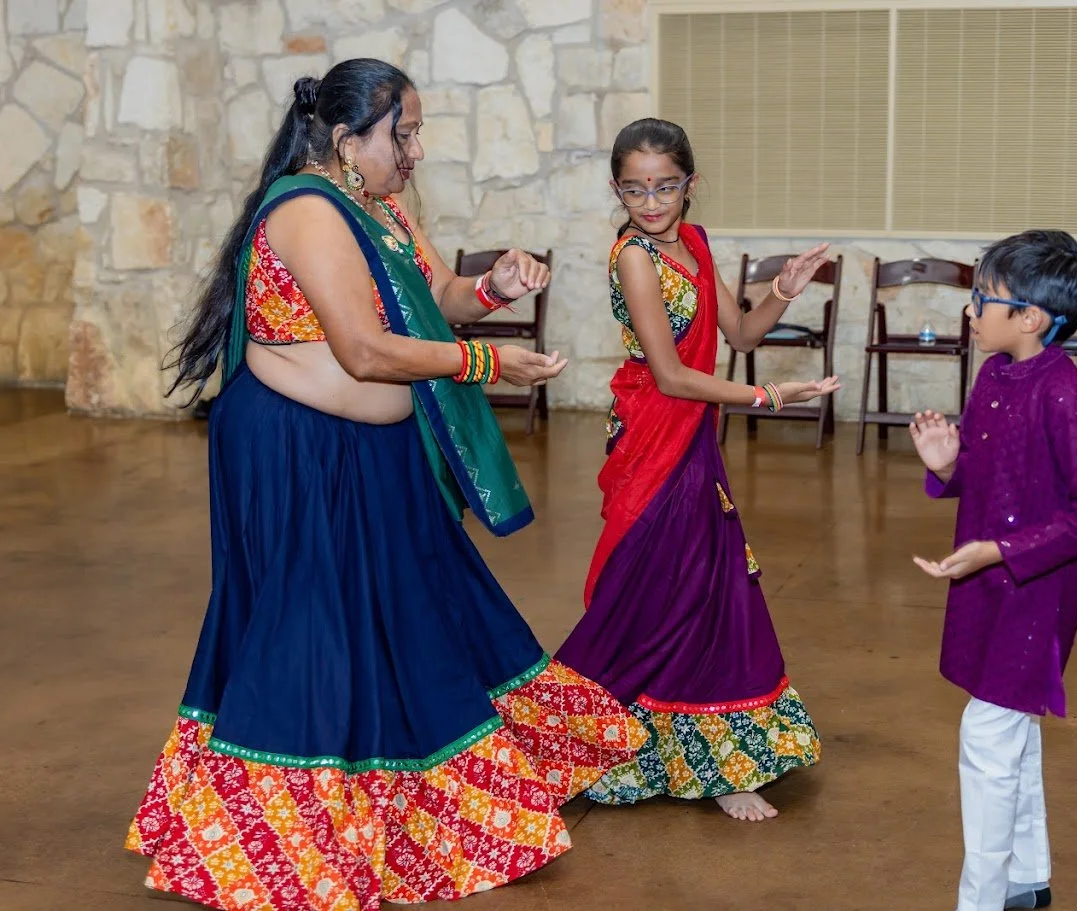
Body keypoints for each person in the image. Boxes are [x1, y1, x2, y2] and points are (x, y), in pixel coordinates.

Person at [125, 59, 647, 911]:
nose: (414, 148)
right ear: (345, 139)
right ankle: (276, 837)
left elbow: (431, 298)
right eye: (401, 132)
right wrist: (489, 361)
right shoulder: (306, 211)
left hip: (372, 455)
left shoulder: (381, 206)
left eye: (414, 131)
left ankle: (397, 808)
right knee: (316, 628)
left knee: (410, 614)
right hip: (298, 454)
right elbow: (366, 350)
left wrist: (490, 290)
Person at [553, 119, 834, 823]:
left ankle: (713, 755)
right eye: (635, 188)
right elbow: (674, 376)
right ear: (617, 188)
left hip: (693, 440)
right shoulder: (635, 257)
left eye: (666, 186)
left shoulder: (697, 244)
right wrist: (764, 396)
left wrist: (783, 291)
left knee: (710, 585)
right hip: (655, 436)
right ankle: (599, 735)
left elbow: (740, 334)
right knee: (653, 588)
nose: (651, 201)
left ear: (690, 184)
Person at [909, 230, 1077, 911]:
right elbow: (986, 473)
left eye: (983, 298)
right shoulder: (995, 374)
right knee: (1012, 722)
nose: (971, 311)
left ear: (1030, 317)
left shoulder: (1065, 396)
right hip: (990, 575)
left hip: (1038, 586)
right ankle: (1027, 876)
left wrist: (1002, 552)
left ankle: (982, 898)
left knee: (988, 731)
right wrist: (946, 464)